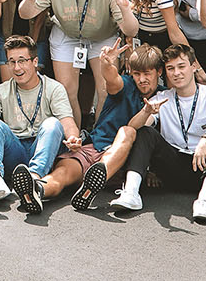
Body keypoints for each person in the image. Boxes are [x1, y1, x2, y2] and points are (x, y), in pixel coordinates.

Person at [113, 44, 206, 224]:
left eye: (181, 66)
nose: (176, 73)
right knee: (145, 132)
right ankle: (131, 193)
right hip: (174, 169)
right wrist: (146, 112)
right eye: (170, 69)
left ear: (193, 67)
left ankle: (204, 201)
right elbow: (133, 129)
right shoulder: (162, 98)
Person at [19, 0, 138, 119]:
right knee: (66, 90)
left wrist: (125, 8)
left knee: (105, 90)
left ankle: (98, 136)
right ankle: (74, 137)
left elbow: (131, 30)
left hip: (102, 37)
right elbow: (25, 13)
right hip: (67, 34)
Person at [0, 33, 82, 213]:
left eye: (22, 61)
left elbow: (67, 121)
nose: (17, 67)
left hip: (43, 148)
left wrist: (74, 138)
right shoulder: (0, 91)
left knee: (52, 124)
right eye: (12, 62)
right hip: (15, 149)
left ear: (35, 61)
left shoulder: (54, 88)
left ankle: (34, 179)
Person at [44, 41, 154, 211]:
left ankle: (96, 179)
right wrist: (106, 64)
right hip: (95, 147)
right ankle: (36, 191)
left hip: (124, 162)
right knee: (61, 174)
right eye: (137, 73)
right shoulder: (125, 84)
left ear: (158, 72)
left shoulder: (163, 96)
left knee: (128, 131)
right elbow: (112, 80)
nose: (142, 79)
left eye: (147, 73)